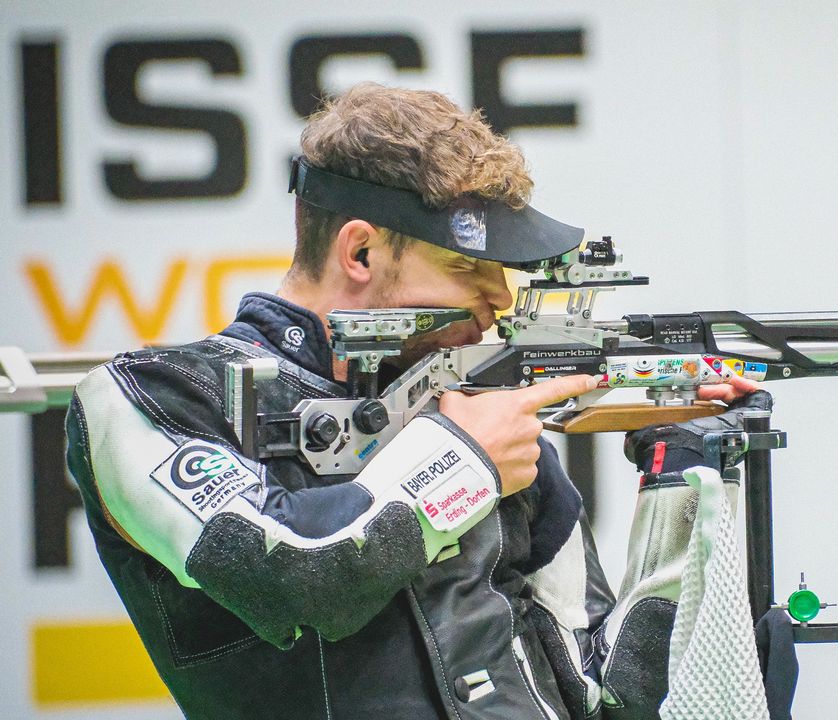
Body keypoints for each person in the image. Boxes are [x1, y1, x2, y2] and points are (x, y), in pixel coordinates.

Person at [65, 82, 772, 719]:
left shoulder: (478, 417)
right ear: (361, 253)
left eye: (505, 272)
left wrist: (679, 473)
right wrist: (463, 462)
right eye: (468, 265)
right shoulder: (149, 398)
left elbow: (610, 700)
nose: (500, 302)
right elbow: (295, 574)